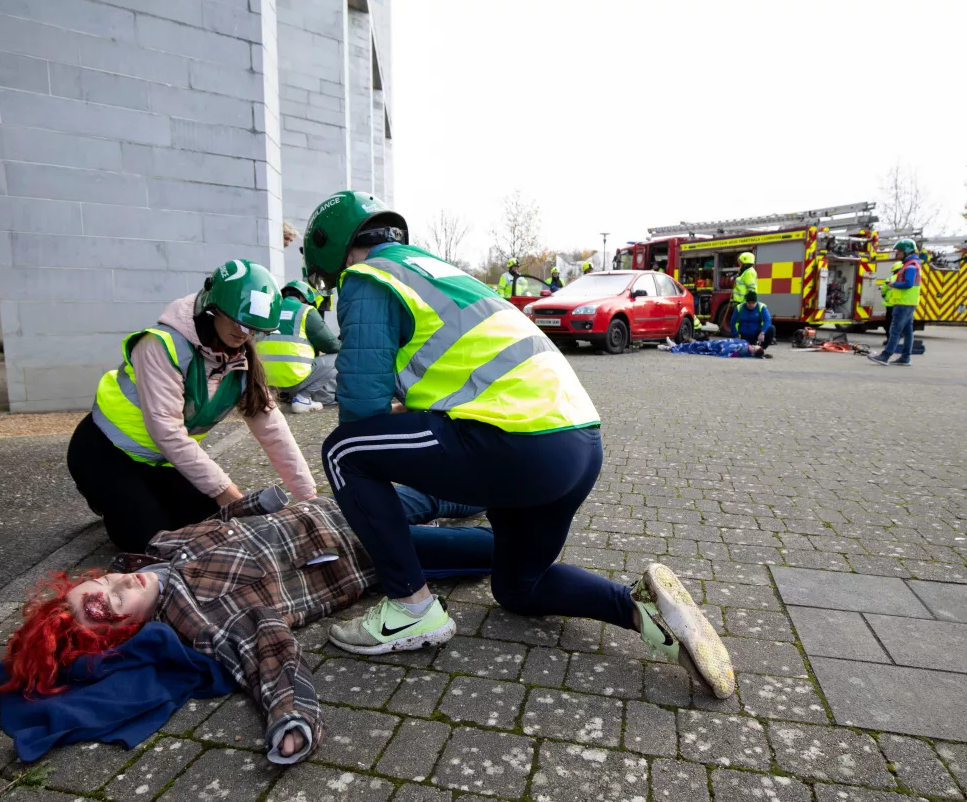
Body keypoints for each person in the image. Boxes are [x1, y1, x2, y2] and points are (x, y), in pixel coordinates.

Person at [300, 191, 734, 697]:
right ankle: (639, 609)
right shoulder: (440, 273)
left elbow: (360, 410)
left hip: (515, 445)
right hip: (578, 445)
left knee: (344, 450)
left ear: (335, 256)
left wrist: (375, 506)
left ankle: (411, 610)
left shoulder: (368, 276)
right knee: (518, 588)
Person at [0, 487, 493, 765]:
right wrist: (292, 722)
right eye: (113, 609)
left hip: (334, 507)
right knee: (495, 552)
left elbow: (223, 519)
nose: (115, 591)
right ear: (125, 633)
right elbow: (268, 655)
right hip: (373, 553)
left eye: (100, 589)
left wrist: (258, 501)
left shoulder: (161, 545)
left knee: (451, 494)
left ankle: (508, 486)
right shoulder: (198, 613)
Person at [67, 261, 317, 553]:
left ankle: (140, 497)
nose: (245, 334)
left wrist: (310, 500)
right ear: (213, 308)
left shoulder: (240, 357)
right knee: (152, 543)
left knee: (211, 524)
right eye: (239, 323)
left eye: (254, 329)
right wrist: (229, 495)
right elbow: (168, 432)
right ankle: (104, 495)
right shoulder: (161, 345)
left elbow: (274, 431)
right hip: (105, 452)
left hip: (162, 463)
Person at [258, 280, 341, 413]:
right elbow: (331, 345)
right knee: (339, 357)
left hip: (266, 382)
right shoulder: (305, 311)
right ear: (303, 297)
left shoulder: (268, 310)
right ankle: (302, 398)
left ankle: (273, 397)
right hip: (295, 381)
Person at [868, 239, 921, 366]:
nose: (897, 254)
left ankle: (885, 356)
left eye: (899, 251)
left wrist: (894, 284)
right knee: (907, 331)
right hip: (908, 302)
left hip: (903, 303)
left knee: (895, 330)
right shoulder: (912, 264)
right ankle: (905, 358)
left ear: (906, 251)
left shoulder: (911, 266)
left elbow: (908, 284)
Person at [659, 338, 766, 358]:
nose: (752, 346)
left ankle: (670, 348)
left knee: (695, 347)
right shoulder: (745, 345)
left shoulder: (743, 352)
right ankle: (674, 346)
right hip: (716, 343)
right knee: (695, 344)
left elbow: (727, 352)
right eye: (755, 345)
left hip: (715, 347)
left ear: (752, 353)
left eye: (754, 348)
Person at [879, 261, 901, 346]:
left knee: (889, 323)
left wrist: (884, 296)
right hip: (901, 304)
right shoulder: (903, 279)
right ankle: (897, 338)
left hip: (890, 305)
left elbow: (883, 290)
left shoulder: (890, 279)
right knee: (899, 322)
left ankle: (889, 339)